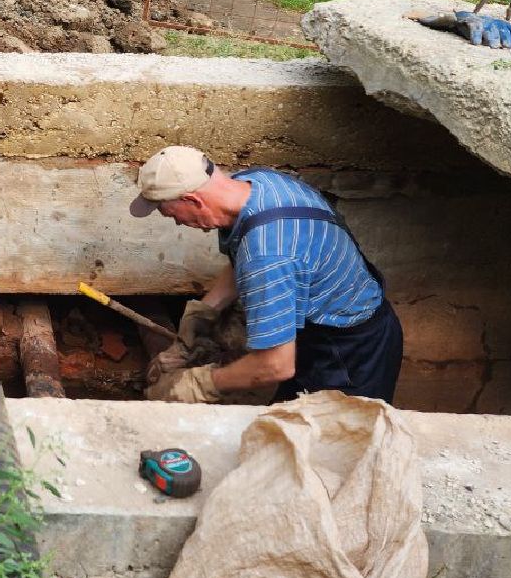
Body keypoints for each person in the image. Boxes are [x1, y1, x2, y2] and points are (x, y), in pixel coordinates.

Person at [128, 146, 402, 405]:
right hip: (318, 331)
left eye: (171, 215)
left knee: (336, 437)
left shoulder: (268, 255)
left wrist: (197, 384)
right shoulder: (256, 183)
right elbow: (242, 258)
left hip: (351, 355)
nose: (178, 222)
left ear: (192, 200)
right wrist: (200, 316)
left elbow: (275, 365)